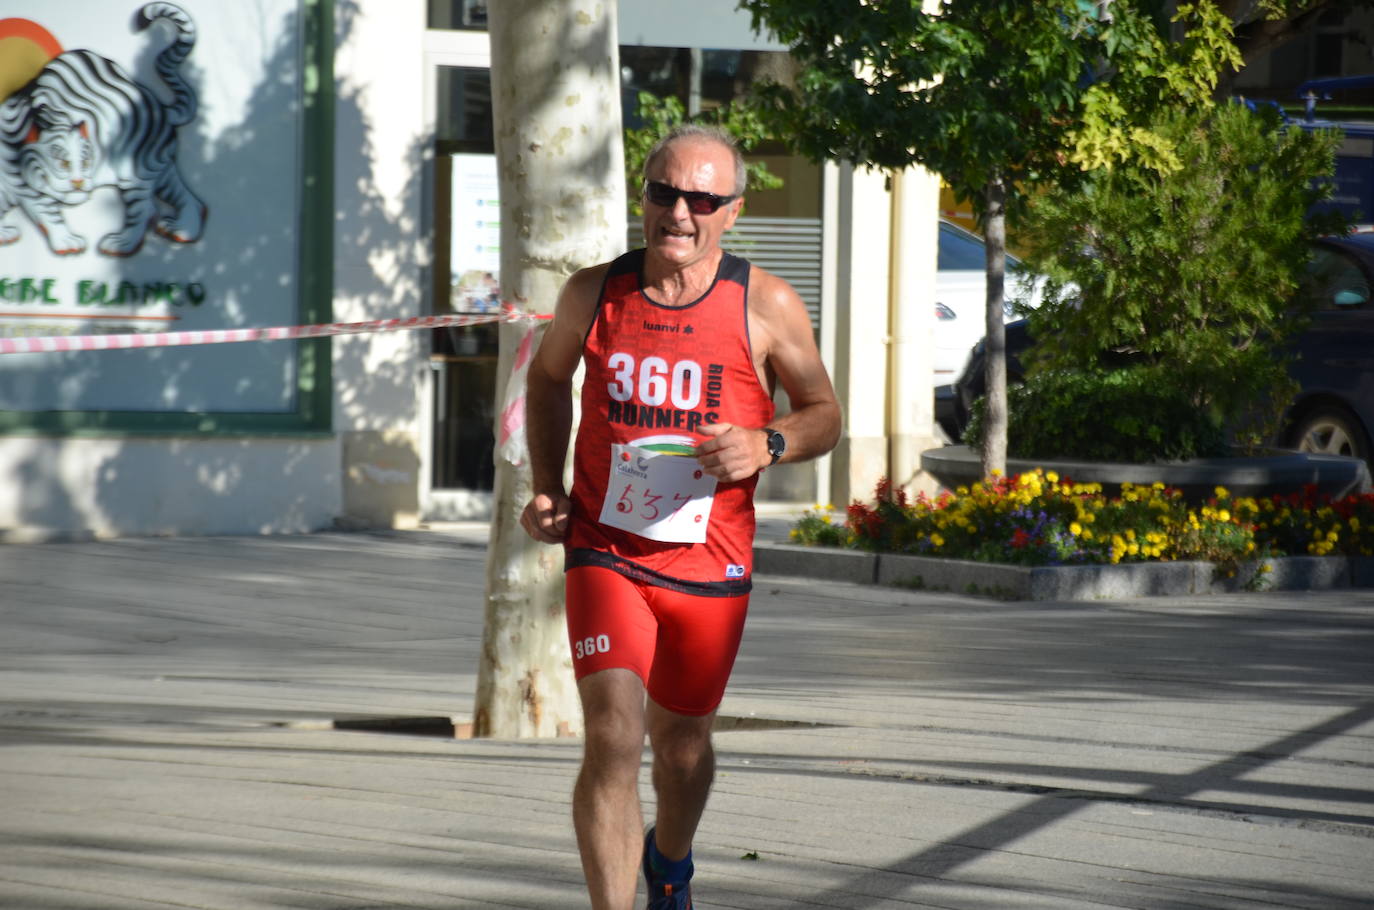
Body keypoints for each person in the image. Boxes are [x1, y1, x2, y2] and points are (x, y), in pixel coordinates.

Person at [520, 124, 841, 910]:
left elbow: (825, 415)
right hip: (606, 550)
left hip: (710, 563)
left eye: (702, 199)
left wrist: (767, 442)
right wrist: (546, 485)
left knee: (683, 747)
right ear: (644, 197)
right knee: (613, 736)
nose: (680, 213)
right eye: (664, 192)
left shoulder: (763, 302)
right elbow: (546, 380)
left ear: (731, 210)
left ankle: (671, 861)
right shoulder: (592, 292)